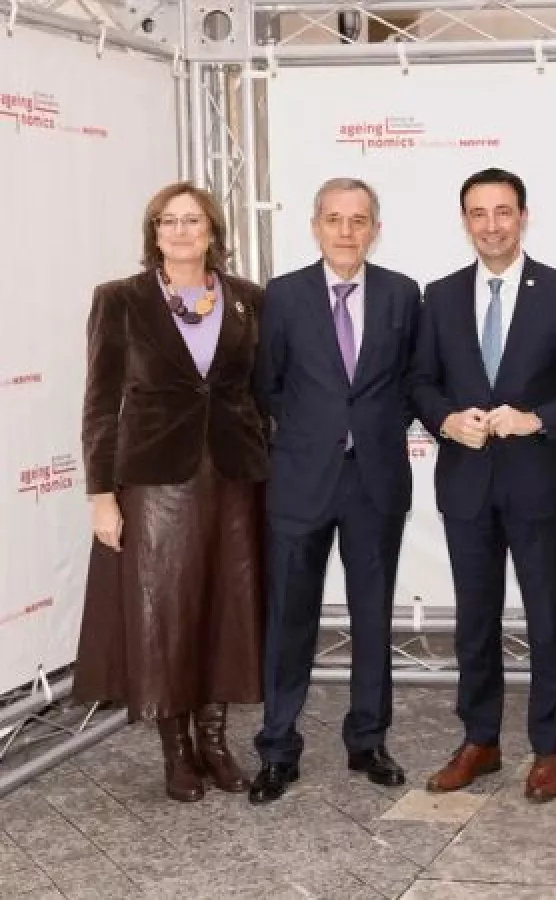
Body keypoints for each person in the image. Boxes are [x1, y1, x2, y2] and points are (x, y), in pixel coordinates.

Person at [409, 167, 556, 802]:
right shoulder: (439, 296)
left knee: (546, 620)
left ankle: (548, 749)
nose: (491, 225)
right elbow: (420, 383)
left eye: (502, 212)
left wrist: (536, 419)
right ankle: (481, 741)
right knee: (474, 621)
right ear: (465, 220)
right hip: (467, 484)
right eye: (478, 213)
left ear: (523, 216)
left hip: (540, 483)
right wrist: (445, 420)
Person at [75, 182, 268, 802]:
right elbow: (101, 403)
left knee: (226, 610)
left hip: (235, 478)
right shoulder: (121, 300)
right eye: (169, 221)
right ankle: (177, 751)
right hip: (157, 481)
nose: (181, 231)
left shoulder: (247, 300)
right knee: (167, 617)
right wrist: (101, 495)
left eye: (193, 220)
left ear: (213, 231)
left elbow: (260, 393)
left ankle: (214, 742)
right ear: (154, 233)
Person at [248, 178, 422, 804]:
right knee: (289, 617)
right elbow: (267, 384)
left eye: (358, 219)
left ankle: (368, 740)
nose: (346, 231)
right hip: (301, 479)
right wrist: (314, 434)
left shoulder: (403, 293)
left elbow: (412, 381)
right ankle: (277, 747)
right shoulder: (284, 294)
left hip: (374, 479)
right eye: (334, 219)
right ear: (315, 226)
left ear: (375, 228)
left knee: (372, 614)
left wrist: (368, 430)